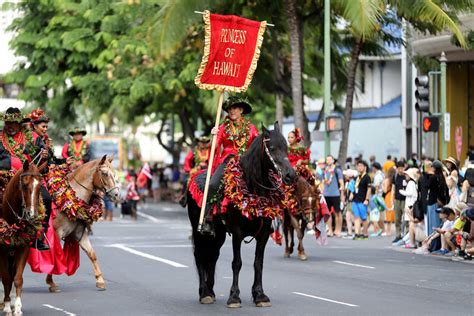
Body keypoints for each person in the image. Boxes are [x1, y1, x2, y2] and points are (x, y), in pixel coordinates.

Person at [199, 97, 259, 235]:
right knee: (213, 185)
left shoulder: (252, 129)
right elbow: (213, 148)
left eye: (235, 108)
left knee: (260, 183)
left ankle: (265, 219)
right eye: (230, 109)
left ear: (241, 110)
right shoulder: (222, 128)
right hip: (227, 162)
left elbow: (257, 146)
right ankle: (208, 219)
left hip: (245, 163)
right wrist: (212, 136)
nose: (232, 111)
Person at [0, 107, 50, 250]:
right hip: (3, 177)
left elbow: (44, 155)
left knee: (46, 199)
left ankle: (39, 237)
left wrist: (46, 154)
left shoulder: (32, 138)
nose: (10, 126)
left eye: (14, 123)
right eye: (8, 123)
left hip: (26, 178)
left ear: (20, 123)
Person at [322, 155, 345, 237]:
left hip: (335, 194)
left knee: (337, 213)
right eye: (327, 159)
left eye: (330, 159)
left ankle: (338, 230)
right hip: (326, 194)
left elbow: (341, 183)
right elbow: (323, 182)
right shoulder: (324, 170)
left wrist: (342, 194)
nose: (328, 161)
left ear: (333, 161)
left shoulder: (337, 170)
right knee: (327, 213)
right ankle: (330, 230)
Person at [426, 160, 449, 235]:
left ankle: (431, 243)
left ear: (435, 168)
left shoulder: (433, 177)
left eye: (432, 166)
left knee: (432, 224)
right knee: (438, 223)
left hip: (432, 201)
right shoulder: (442, 177)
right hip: (439, 202)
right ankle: (436, 243)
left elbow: (427, 186)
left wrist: (427, 175)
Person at [399, 168, 420, 249]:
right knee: (410, 224)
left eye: (407, 174)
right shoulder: (412, 183)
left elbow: (410, 193)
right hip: (411, 205)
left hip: (410, 205)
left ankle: (408, 241)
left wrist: (402, 192)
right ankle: (408, 240)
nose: (405, 176)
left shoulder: (411, 183)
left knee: (411, 224)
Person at [350, 160, 371, 240]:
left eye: (361, 166)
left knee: (364, 218)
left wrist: (367, 199)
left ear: (365, 167)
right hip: (355, 200)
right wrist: (352, 194)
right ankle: (357, 233)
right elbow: (353, 187)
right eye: (358, 166)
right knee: (356, 217)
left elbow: (369, 189)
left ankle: (365, 233)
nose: (359, 167)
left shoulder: (367, 177)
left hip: (363, 200)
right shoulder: (356, 177)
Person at [392, 161, 407, 243]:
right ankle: (398, 235)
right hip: (397, 199)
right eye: (399, 168)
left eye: (402, 168)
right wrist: (392, 198)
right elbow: (393, 188)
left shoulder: (406, 176)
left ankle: (407, 235)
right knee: (397, 218)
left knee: (406, 219)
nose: (401, 170)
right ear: (397, 169)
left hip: (405, 200)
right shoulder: (395, 176)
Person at [382, 167, 396, 236]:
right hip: (393, 196)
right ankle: (389, 231)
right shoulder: (394, 179)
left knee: (388, 214)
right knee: (391, 213)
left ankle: (388, 231)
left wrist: (383, 185)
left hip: (388, 196)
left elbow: (384, 190)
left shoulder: (387, 180)